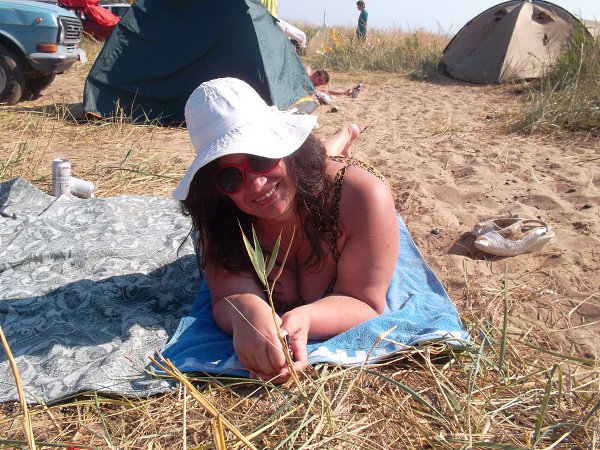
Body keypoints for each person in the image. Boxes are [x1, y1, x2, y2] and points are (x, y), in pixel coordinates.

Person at [174, 78, 399, 382]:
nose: (256, 184)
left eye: (261, 158)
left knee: (319, 160)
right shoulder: (220, 216)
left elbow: (366, 301)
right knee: (306, 165)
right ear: (215, 189)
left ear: (281, 144)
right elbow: (228, 294)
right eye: (230, 177)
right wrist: (247, 313)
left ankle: (345, 133)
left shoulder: (362, 197)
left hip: (313, 170)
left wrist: (307, 319)